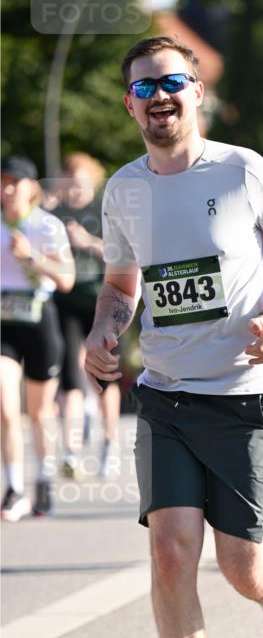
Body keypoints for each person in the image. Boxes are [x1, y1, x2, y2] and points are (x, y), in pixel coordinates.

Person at [84, 36, 263, 638]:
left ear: (196, 93)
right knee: (169, 550)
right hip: (166, 397)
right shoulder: (123, 189)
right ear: (129, 102)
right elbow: (123, 287)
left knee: (243, 566)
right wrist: (103, 334)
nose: (160, 96)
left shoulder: (243, 169)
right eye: (144, 87)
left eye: (172, 82)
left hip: (245, 395)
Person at [1, 156, 75, 520]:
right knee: (5, 406)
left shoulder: (47, 227)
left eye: (16, 182)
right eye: (3, 181)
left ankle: (43, 480)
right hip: (4, 323)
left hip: (40, 318)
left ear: (32, 188)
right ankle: (13, 488)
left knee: (39, 411)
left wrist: (30, 257)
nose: (8, 189)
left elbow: (66, 279)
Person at [52, 152, 121, 478]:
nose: (76, 192)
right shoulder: (55, 213)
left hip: (102, 302)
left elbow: (122, 254)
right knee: (70, 377)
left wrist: (87, 242)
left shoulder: (105, 210)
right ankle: (71, 450)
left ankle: (110, 444)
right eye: (70, 185)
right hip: (65, 301)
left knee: (105, 376)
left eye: (81, 185)